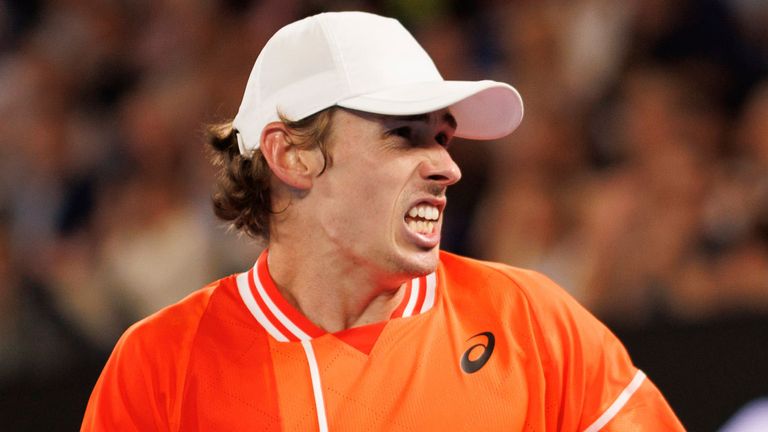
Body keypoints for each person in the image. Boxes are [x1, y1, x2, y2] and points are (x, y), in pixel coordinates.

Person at [82, 11, 684, 431]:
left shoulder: (533, 323)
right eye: (405, 136)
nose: (447, 167)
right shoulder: (160, 365)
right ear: (291, 155)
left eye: (443, 137)